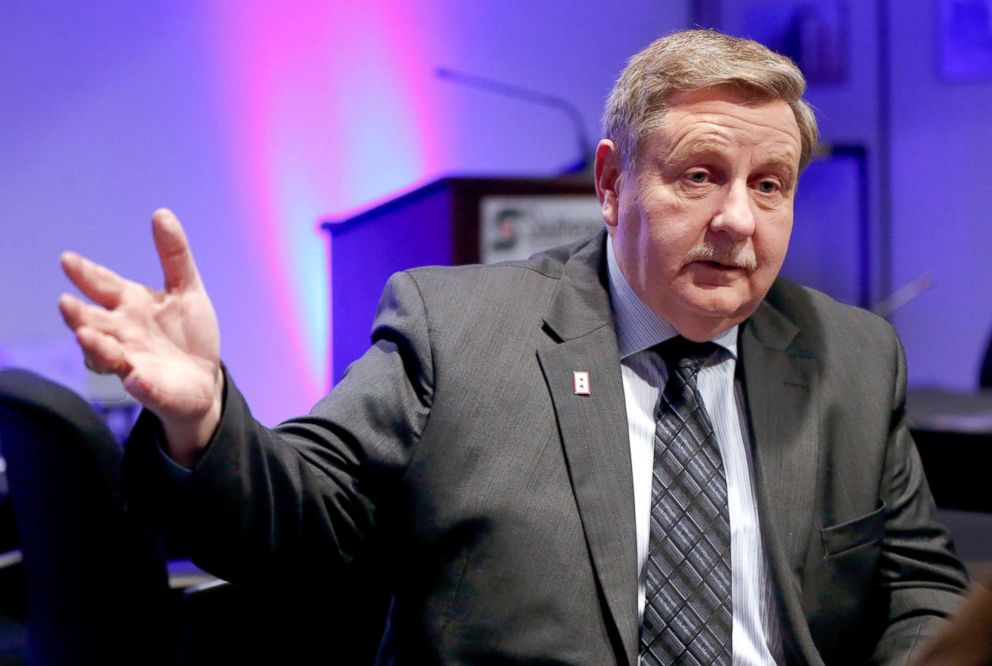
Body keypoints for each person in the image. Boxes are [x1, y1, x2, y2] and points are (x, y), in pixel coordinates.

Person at [59, 29, 968, 665]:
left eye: (770, 185)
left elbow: (918, 588)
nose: (737, 220)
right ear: (611, 185)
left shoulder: (852, 356)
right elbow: (300, 523)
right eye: (699, 176)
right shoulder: (456, 330)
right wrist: (206, 415)